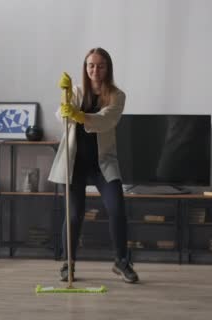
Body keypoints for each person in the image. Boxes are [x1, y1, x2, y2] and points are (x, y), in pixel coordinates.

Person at [48, 47, 139, 283]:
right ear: (85, 68)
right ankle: (68, 264)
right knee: (74, 215)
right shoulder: (76, 91)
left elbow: (106, 120)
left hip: (102, 164)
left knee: (117, 208)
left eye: (100, 65)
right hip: (75, 163)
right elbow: (61, 115)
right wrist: (65, 96)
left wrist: (80, 116)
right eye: (90, 65)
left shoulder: (117, 96)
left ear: (108, 68)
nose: (95, 70)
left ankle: (121, 262)